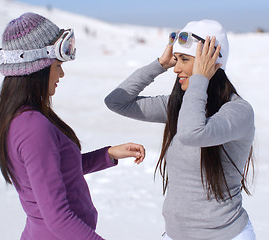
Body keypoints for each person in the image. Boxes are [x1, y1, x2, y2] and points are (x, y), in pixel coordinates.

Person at [0, 13, 146, 240]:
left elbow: (56, 172)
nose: (61, 74)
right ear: (37, 68)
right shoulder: (33, 127)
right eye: (57, 65)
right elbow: (58, 219)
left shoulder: (22, 119)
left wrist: (108, 154)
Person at [105, 20, 256, 240]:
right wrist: (159, 64)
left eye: (185, 59)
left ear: (213, 61)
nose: (176, 68)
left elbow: (192, 133)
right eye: (176, 60)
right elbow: (116, 102)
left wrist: (200, 78)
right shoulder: (179, 107)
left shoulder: (238, 111)